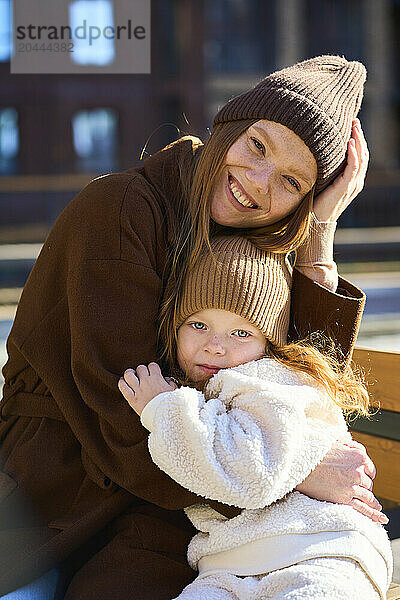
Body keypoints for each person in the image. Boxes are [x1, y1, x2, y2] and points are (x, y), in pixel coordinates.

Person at [0, 55, 382, 599]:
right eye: (256, 146)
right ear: (228, 127)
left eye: (291, 182)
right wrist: (289, 473)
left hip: (171, 506)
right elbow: (120, 414)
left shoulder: (257, 245)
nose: (256, 182)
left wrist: (319, 236)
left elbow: (303, 390)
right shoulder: (122, 208)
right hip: (55, 490)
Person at [119, 235, 393, 600]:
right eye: (198, 325)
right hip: (227, 565)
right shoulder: (196, 390)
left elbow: (253, 474)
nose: (216, 345)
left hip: (319, 548)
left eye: (241, 332)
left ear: (268, 342)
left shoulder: (271, 382)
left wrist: (163, 409)